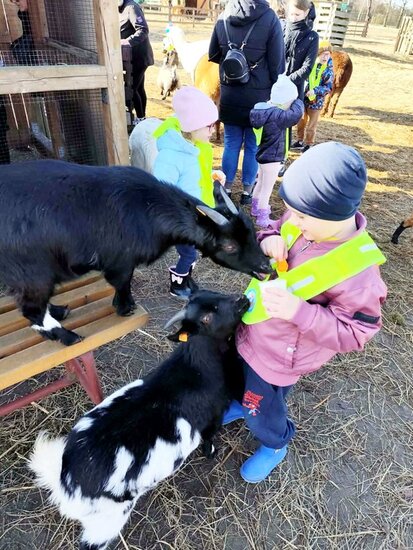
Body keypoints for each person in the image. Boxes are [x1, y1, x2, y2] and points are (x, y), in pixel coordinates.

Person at [223, 142, 387, 483]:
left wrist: (300, 313)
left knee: (262, 406)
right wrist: (269, 238)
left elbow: (355, 332)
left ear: (333, 212)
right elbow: (276, 226)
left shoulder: (358, 273)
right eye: (291, 213)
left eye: (300, 216)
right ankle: (243, 403)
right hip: (253, 330)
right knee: (240, 379)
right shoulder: (305, 219)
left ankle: (275, 442)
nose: (293, 221)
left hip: (279, 356)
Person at [208, 0, 285, 205]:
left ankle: (226, 187)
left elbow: (213, 53)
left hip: (230, 92)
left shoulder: (224, 15)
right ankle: (247, 191)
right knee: (252, 146)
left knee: (231, 143)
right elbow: (277, 64)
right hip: (259, 97)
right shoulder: (270, 18)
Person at [152, 86, 225, 299]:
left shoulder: (193, 148)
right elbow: (162, 191)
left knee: (192, 251)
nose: (213, 131)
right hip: (180, 220)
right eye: (209, 126)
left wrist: (210, 175)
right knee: (189, 253)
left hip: (192, 216)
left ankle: (185, 277)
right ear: (193, 126)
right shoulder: (171, 157)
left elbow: (192, 177)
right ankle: (178, 284)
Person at [249, 75, 303, 228]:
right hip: (272, 157)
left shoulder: (265, 110)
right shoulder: (278, 116)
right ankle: (262, 217)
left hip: (263, 155)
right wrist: (298, 101)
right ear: (285, 101)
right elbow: (295, 115)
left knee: (260, 182)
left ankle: (255, 208)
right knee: (267, 188)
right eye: (291, 102)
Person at [279, 0, 319, 176]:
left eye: (298, 15)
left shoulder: (311, 37)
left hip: (292, 89)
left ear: (306, 13)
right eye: (291, 14)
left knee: (286, 125)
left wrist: (286, 81)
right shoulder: (281, 28)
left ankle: (282, 159)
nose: (293, 18)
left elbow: (307, 67)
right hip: (274, 86)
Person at [292, 41, 334, 153]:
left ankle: (309, 144)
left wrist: (315, 91)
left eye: (328, 54)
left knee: (311, 125)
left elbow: (328, 87)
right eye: (323, 54)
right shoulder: (310, 65)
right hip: (304, 98)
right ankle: (299, 141)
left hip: (317, 101)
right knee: (301, 121)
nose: (325, 57)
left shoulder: (328, 71)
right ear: (317, 54)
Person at [118, 0, 154, 122]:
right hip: (131, 58)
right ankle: (142, 118)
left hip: (139, 57)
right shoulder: (120, 9)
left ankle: (140, 119)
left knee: (132, 88)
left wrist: (127, 41)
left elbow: (143, 29)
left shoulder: (132, 7)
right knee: (139, 88)